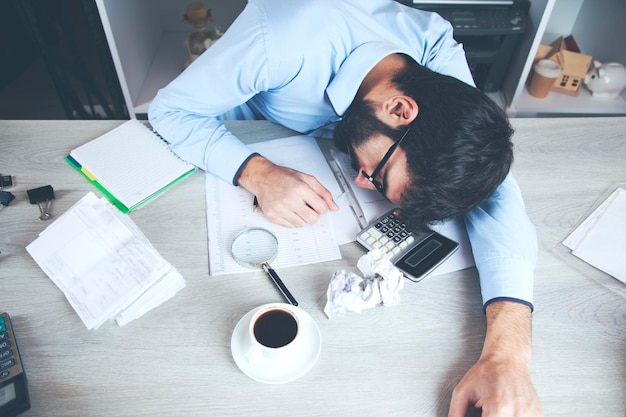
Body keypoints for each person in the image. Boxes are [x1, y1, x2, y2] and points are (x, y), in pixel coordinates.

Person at [148, 0, 543, 415]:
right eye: (379, 176)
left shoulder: (435, 56)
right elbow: (169, 111)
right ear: (398, 109)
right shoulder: (280, 42)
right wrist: (256, 172)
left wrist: (508, 356)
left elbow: (495, 191)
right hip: (236, 134)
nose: (360, 181)